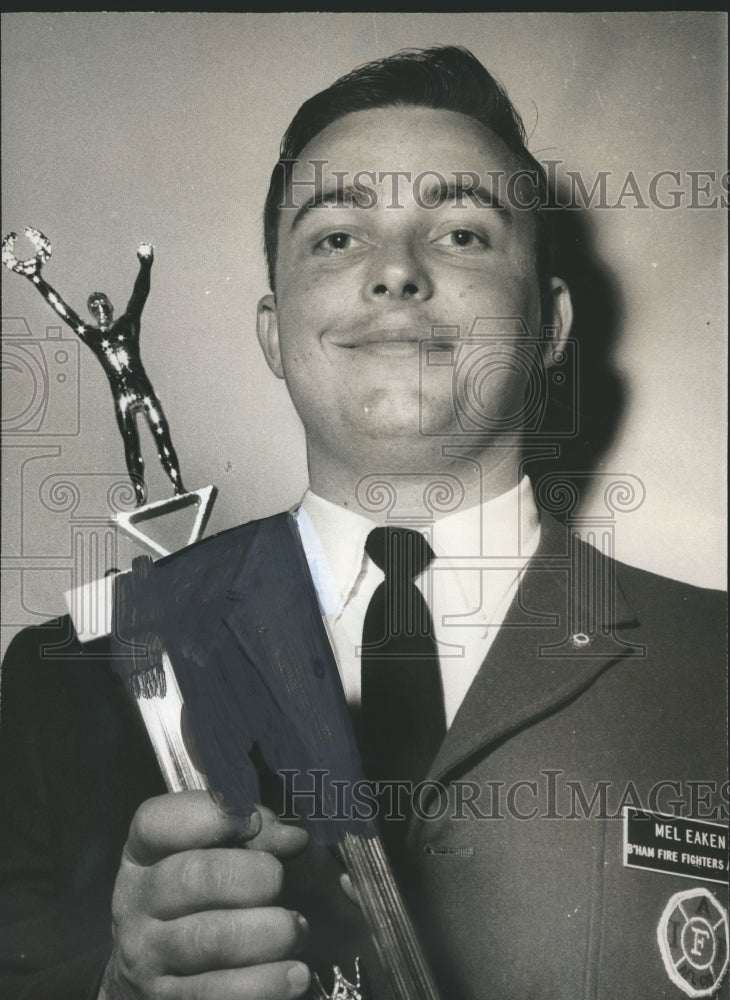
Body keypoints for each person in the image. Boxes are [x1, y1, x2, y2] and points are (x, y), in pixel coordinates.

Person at [0, 46, 726, 1000]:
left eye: (462, 232)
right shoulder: (78, 676)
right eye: (337, 237)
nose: (395, 273)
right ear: (272, 330)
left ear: (550, 329)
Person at [1, 229, 186, 506]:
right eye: (93, 304)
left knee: (161, 435)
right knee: (131, 445)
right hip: (121, 397)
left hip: (142, 388)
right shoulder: (92, 336)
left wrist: (146, 263)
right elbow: (62, 310)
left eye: (102, 302)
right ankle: (140, 497)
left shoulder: (127, 323)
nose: (99, 306)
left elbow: (140, 293)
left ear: (111, 306)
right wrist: (36, 278)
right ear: (91, 311)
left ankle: (178, 486)